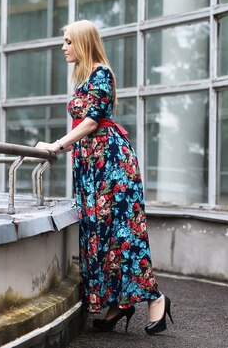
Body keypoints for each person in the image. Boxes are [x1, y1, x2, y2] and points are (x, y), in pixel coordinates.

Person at [35, 20, 173, 335]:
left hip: (112, 166)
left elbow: (91, 122)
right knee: (102, 235)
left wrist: (56, 145)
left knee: (124, 236)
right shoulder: (86, 78)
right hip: (92, 168)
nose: (63, 47)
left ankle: (156, 299)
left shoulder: (101, 74)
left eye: (68, 41)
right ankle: (119, 304)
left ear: (82, 42)